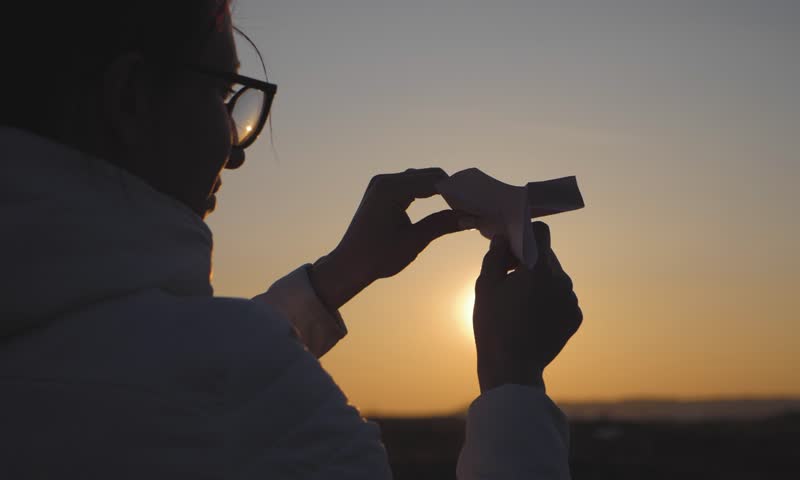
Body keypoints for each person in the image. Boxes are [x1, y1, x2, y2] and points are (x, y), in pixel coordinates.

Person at [0, 1, 583, 478]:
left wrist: (335, 277)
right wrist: (515, 383)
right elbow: (200, 386)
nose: (236, 150)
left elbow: (129, 360)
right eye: (226, 97)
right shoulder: (254, 413)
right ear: (131, 99)